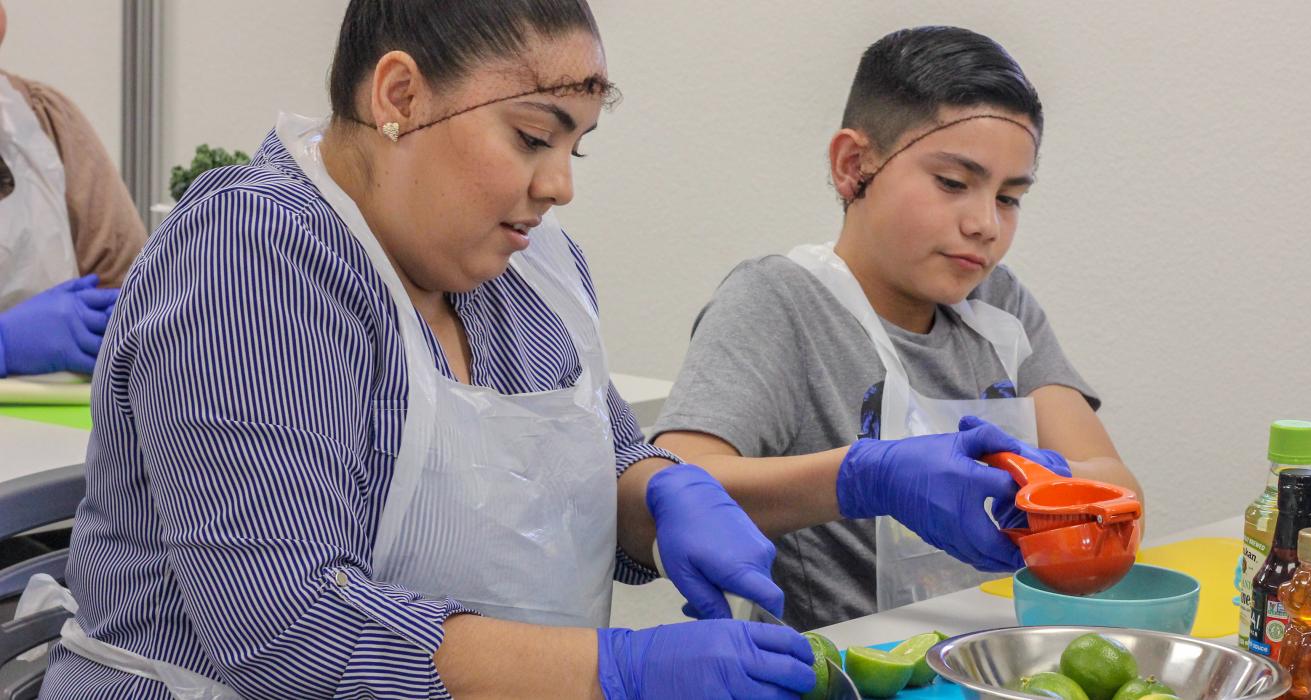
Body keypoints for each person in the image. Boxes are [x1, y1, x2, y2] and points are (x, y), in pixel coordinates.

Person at [33, 1, 813, 698]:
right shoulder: (254, 256)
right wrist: (618, 671)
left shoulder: (530, 269)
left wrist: (662, 497)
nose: (558, 187)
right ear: (400, 97)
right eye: (532, 136)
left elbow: (600, 456)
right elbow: (286, 632)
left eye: (574, 149)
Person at [652, 26, 1143, 630]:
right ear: (854, 165)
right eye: (954, 183)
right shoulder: (781, 302)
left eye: (1010, 197)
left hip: (991, 656)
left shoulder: (1000, 304)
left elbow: (1113, 479)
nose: (985, 224)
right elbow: (678, 481)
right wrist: (865, 478)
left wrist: (1036, 480)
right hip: (846, 672)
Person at [0, 0, 143, 378]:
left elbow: (126, 278)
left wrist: (126, 318)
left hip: (54, 428)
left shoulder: (44, 123)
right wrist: (4, 345)